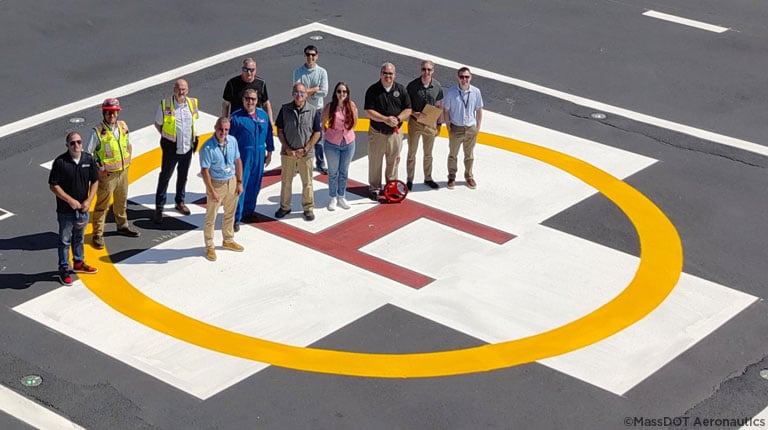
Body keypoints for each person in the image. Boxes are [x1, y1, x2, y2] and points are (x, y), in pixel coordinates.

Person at [86, 97, 140, 250]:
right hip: (107, 176)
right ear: (104, 113)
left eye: (114, 112)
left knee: (121, 202)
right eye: (109, 113)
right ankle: (97, 234)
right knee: (102, 206)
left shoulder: (123, 126)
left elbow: (128, 145)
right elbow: (87, 155)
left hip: (123, 173)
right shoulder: (97, 132)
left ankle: (122, 226)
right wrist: (98, 171)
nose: (111, 115)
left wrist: (128, 161)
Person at [49, 132, 99, 286]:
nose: (76, 145)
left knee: (79, 237)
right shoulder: (60, 162)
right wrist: (70, 200)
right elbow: (53, 185)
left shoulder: (88, 159)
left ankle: (78, 262)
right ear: (67, 146)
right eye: (72, 143)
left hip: (83, 209)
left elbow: (95, 181)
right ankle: (64, 268)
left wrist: (89, 200)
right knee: (64, 241)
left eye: (78, 142)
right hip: (65, 210)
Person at [153, 79, 199, 224]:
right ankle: (159, 207)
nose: (181, 92)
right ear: (174, 90)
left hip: (187, 146)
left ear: (188, 90)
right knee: (165, 177)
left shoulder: (192, 104)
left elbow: (193, 121)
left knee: (183, 176)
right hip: (171, 147)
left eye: (184, 89)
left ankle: (180, 201)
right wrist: (168, 138)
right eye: (179, 89)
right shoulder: (165, 104)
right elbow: (158, 124)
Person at [364, 62, 412, 201]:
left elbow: (408, 109)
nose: (388, 76)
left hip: (395, 134)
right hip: (377, 133)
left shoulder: (401, 90)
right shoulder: (373, 90)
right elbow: (368, 111)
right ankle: (374, 188)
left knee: (393, 162)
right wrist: (385, 119)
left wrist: (397, 119)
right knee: (375, 161)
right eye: (385, 73)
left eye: (390, 74)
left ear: (394, 75)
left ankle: (391, 187)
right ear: (381, 74)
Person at [274, 83, 322, 221]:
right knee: (286, 181)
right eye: (296, 93)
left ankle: (308, 208)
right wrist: (287, 148)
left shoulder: (313, 111)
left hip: (306, 154)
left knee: (307, 182)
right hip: (288, 153)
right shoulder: (285, 109)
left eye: (302, 93)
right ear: (292, 94)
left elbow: (317, 133)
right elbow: (280, 130)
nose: (299, 96)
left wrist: (306, 149)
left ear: (306, 94)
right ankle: (284, 206)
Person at [199, 117, 245, 262]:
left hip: (231, 181)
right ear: (215, 128)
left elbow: (238, 161)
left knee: (230, 213)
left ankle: (228, 239)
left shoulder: (233, 141)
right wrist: (212, 191)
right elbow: (205, 171)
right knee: (211, 217)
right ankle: (209, 245)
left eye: (226, 130)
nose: (223, 132)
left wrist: (239, 182)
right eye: (220, 129)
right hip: (217, 184)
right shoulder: (207, 148)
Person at [229, 88, 274, 231]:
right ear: (243, 100)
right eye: (247, 99)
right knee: (240, 186)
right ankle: (235, 217)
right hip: (243, 156)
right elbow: (229, 140)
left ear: (257, 101)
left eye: (253, 99)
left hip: (259, 153)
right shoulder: (236, 118)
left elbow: (268, 134)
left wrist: (270, 151)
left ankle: (248, 211)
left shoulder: (263, 115)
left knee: (255, 185)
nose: (250, 102)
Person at [442, 67, 484, 189]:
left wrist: (478, 126)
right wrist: (448, 125)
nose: (464, 79)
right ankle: (451, 176)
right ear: (458, 77)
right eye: (462, 77)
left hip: (470, 128)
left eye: (466, 77)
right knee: (453, 154)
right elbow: (446, 110)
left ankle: (469, 176)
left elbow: (479, 109)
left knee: (469, 155)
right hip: (456, 128)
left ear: (470, 78)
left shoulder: (476, 92)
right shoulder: (451, 92)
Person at [405, 60, 443, 191]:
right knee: (411, 153)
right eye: (424, 69)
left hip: (430, 125)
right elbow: (406, 106)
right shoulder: (412, 86)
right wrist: (416, 114)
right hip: (415, 124)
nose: (426, 72)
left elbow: (438, 106)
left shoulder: (437, 86)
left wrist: (439, 124)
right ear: (420, 70)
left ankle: (428, 178)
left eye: (429, 70)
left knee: (428, 154)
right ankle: (409, 179)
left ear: (433, 71)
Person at [320, 82, 358, 211]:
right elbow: (322, 121)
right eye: (339, 91)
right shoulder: (330, 107)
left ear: (347, 94)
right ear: (335, 93)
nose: (341, 94)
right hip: (332, 144)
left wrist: (346, 132)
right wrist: (330, 132)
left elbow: (355, 122)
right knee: (332, 172)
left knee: (344, 171)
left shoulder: (351, 106)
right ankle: (332, 197)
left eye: (344, 92)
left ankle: (341, 195)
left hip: (348, 143)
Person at [293, 44, 329, 174]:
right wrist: (315, 89)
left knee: (318, 137)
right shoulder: (298, 71)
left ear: (317, 56)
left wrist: (305, 92)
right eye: (308, 55)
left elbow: (324, 92)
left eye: (313, 55)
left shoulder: (322, 72)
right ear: (305, 56)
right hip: (302, 108)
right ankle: (298, 162)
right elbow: (297, 90)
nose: (310, 57)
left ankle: (320, 162)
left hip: (317, 109)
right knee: (301, 135)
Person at [222, 57, 273, 124]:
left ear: (255, 70)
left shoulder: (261, 83)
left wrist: (270, 123)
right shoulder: (232, 84)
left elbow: (266, 103)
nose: (249, 73)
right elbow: (226, 104)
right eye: (246, 69)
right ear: (242, 70)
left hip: (256, 121)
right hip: (238, 122)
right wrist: (224, 123)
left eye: (252, 70)